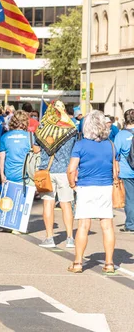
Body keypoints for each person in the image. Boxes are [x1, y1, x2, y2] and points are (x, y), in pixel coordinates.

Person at [67, 110, 116, 274]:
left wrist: (73, 185)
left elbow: (71, 170)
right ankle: (109, 263)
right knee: (107, 225)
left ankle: (78, 262)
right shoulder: (110, 144)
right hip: (106, 186)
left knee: (83, 225)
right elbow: (115, 170)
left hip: (86, 186)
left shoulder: (81, 144)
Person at [34, 101, 77, 248]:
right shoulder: (71, 129)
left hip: (47, 171)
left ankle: (49, 238)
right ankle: (70, 238)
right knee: (67, 204)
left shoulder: (42, 128)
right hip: (65, 172)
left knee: (48, 204)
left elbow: (35, 149)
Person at [114, 108, 134, 233]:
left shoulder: (120, 135)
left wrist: (115, 172)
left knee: (130, 199)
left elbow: (115, 154)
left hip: (126, 172)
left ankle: (130, 225)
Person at [0, 110, 31, 184]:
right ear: (25, 122)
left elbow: (2, 158)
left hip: (9, 177)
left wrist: (1, 175)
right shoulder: (31, 137)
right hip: (26, 177)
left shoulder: (4, 136)